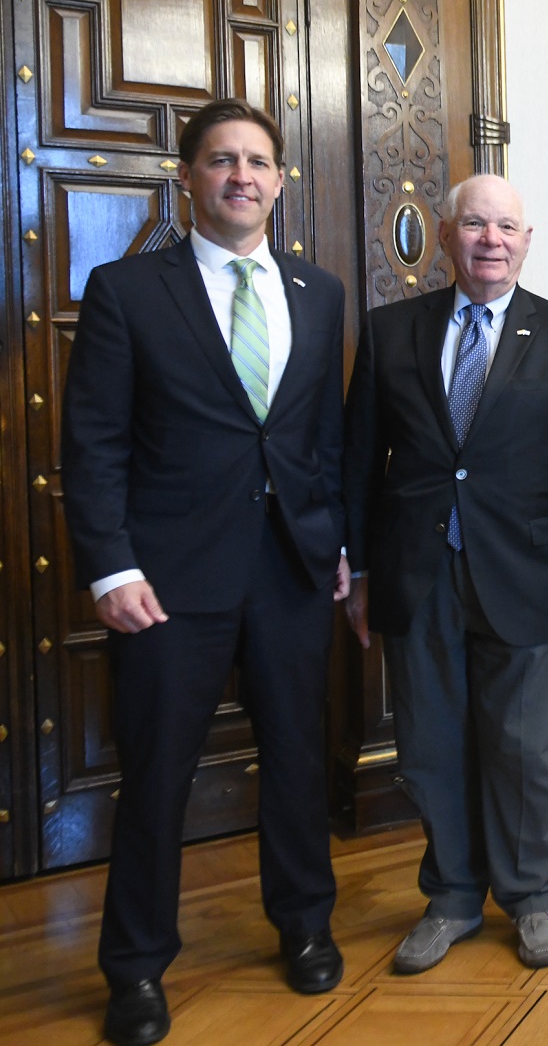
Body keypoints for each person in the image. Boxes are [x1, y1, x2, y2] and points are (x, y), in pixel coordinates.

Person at [61, 99, 350, 1046]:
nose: (242, 176)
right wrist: (110, 567)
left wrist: (338, 542)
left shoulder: (319, 292)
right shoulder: (127, 290)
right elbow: (94, 442)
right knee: (156, 777)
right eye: (221, 161)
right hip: (167, 582)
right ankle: (137, 968)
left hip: (293, 573)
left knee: (299, 763)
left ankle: (305, 923)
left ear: (279, 180)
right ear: (187, 178)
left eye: (258, 162)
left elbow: (321, 440)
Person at [342, 175, 548, 975]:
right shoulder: (391, 329)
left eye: (506, 226)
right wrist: (360, 570)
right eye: (475, 224)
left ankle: (533, 894)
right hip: (417, 573)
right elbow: (361, 463)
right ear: (445, 236)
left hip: (531, 576)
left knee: (528, 749)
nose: (491, 239)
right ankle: (453, 896)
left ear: (527, 240)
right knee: (431, 746)